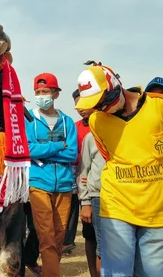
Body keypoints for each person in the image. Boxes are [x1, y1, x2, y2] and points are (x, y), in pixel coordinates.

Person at [75, 64, 163, 276]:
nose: (101, 109)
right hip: (117, 206)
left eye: (103, 101)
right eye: (95, 106)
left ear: (115, 85)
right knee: (117, 272)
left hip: (156, 207)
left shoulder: (158, 107)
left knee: (152, 272)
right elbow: (109, 156)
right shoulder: (97, 121)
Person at [26, 73, 78, 277]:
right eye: (37, 92)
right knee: (46, 236)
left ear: (55, 94)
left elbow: (72, 153)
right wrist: (58, 145)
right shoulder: (29, 119)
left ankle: (50, 271)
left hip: (64, 185)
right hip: (38, 183)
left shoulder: (67, 122)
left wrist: (44, 148)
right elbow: (29, 149)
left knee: (59, 237)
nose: (41, 96)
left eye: (45, 91)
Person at [73, 89, 103, 277]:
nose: (81, 109)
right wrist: (85, 200)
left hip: (122, 195)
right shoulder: (87, 135)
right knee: (93, 238)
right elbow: (83, 166)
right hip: (96, 196)